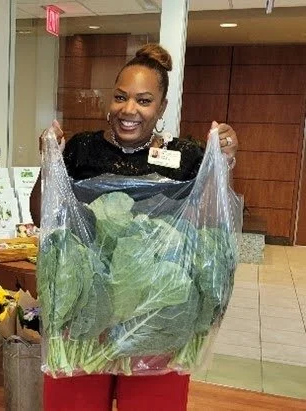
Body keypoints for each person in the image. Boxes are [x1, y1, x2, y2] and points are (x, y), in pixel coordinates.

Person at [29, 44, 239, 411]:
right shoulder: (81, 148)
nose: (129, 110)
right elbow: (41, 216)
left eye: (144, 100)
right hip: (86, 316)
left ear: (161, 107)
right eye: (120, 97)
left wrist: (222, 164)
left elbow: (210, 226)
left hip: (157, 319)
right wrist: (49, 163)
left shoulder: (186, 155)